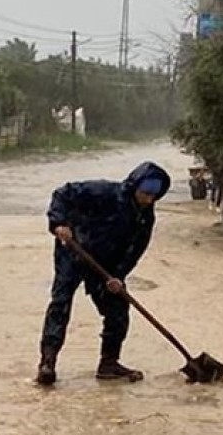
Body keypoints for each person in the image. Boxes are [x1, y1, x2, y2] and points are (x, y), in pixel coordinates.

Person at [36, 161, 171, 386]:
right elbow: (62, 194)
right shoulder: (104, 193)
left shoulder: (145, 217)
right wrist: (59, 223)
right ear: (135, 187)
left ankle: (109, 364)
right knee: (60, 304)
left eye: (153, 196)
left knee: (118, 309)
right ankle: (47, 363)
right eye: (145, 194)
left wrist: (119, 275)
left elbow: (136, 249)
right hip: (73, 252)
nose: (148, 200)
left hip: (105, 264)